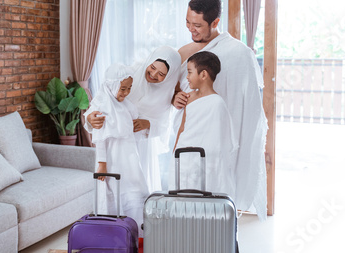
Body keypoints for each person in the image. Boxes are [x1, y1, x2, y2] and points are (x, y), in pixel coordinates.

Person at [173, 0, 268, 220]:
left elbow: (251, 106)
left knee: (216, 206)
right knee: (185, 203)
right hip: (187, 139)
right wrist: (175, 97)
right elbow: (172, 87)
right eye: (187, 22)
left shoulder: (239, 53)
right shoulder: (186, 52)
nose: (190, 29)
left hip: (220, 143)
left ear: (215, 22)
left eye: (196, 24)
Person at [88, 46, 181, 193]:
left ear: (169, 76)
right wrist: (90, 116)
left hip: (142, 146)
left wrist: (148, 124)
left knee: (137, 190)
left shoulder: (167, 94)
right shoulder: (131, 73)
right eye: (152, 67)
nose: (154, 74)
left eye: (161, 74)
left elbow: (164, 125)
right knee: (112, 186)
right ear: (149, 61)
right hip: (115, 142)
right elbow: (104, 96)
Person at [83, 63, 149, 235]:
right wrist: (102, 164)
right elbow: (100, 139)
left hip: (129, 156)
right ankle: (115, 235)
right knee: (113, 188)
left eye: (129, 88)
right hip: (111, 158)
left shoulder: (126, 105)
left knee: (133, 189)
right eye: (122, 89)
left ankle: (136, 233)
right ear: (111, 85)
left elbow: (136, 123)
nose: (126, 93)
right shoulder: (101, 106)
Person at [172, 51, 237, 198]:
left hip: (205, 159)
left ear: (203, 75)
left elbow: (218, 139)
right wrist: (174, 152)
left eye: (189, 72)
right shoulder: (190, 98)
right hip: (184, 155)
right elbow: (183, 128)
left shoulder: (217, 103)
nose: (187, 77)